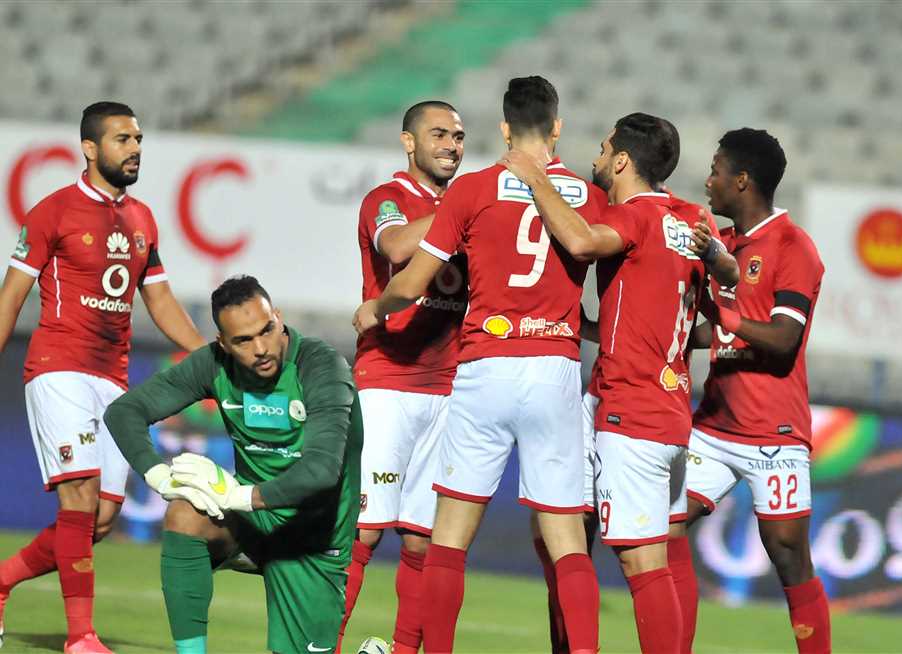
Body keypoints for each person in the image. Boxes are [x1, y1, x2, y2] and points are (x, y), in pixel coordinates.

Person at [354, 75, 605, 654]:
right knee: (567, 538)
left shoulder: (473, 189)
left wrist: (378, 306)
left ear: (503, 129)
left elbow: (411, 278)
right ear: (558, 128)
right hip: (555, 368)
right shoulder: (588, 199)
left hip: (484, 366)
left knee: (448, 538)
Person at [501, 113, 739, 653]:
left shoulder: (634, 217)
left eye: (605, 148)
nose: (598, 155)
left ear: (623, 161)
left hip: (632, 409)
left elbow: (583, 243)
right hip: (654, 401)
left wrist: (534, 177)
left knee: (641, 560)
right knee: (558, 526)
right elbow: (724, 302)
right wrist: (600, 330)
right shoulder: (688, 220)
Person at [0, 101, 205, 654]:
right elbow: (11, 297)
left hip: (113, 379)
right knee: (81, 497)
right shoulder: (53, 211)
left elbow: (159, 301)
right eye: (122, 139)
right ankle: (81, 638)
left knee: (104, 516)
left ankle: (0, 582)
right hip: (57, 367)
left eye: (138, 139)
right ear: (90, 149)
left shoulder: (142, 219)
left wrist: (209, 354)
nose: (135, 148)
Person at [103, 275, 362, 654]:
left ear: (278, 316)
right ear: (223, 343)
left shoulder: (322, 368)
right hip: (253, 524)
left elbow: (322, 470)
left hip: (313, 539)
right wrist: (160, 477)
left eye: (266, 330)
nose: (260, 348)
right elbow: (125, 411)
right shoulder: (214, 365)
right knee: (184, 514)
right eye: (243, 340)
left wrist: (238, 495)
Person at [668, 128, 829, 654]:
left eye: (716, 170)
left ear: (742, 179)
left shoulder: (793, 246)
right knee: (664, 530)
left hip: (774, 433)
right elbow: (712, 330)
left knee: (788, 558)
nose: (708, 180)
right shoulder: (726, 248)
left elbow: (783, 340)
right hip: (713, 428)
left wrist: (728, 316)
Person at [340, 100, 466, 654]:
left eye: (459, 137)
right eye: (438, 134)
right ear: (408, 143)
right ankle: (325, 645)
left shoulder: (465, 208)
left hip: (448, 389)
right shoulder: (386, 199)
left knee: (422, 542)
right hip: (388, 383)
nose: (451, 144)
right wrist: (461, 210)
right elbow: (394, 246)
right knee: (361, 534)